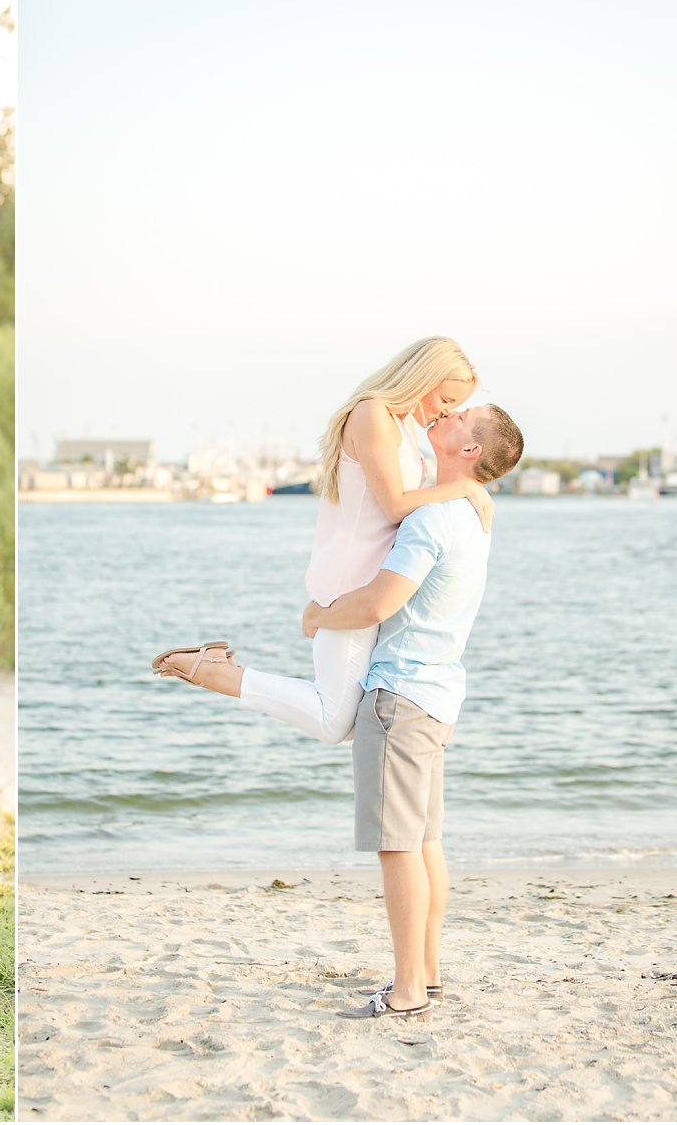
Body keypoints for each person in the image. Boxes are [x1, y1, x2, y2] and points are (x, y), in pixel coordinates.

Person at [153, 337, 493, 744]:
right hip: (350, 581)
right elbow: (395, 505)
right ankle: (212, 671)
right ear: (423, 378)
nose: (445, 411)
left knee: (348, 719)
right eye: (446, 399)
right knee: (335, 722)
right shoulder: (373, 415)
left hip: (369, 579)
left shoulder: (399, 424)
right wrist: (467, 489)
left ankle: (216, 667)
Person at [301, 403, 524, 1018]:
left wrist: (319, 615)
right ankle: (425, 975)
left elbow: (378, 603)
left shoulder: (436, 518)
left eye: (462, 416)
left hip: (400, 697)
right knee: (425, 843)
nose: (447, 413)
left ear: (470, 450)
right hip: (438, 695)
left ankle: (405, 993)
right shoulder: (474, 517)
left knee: (398, 847)